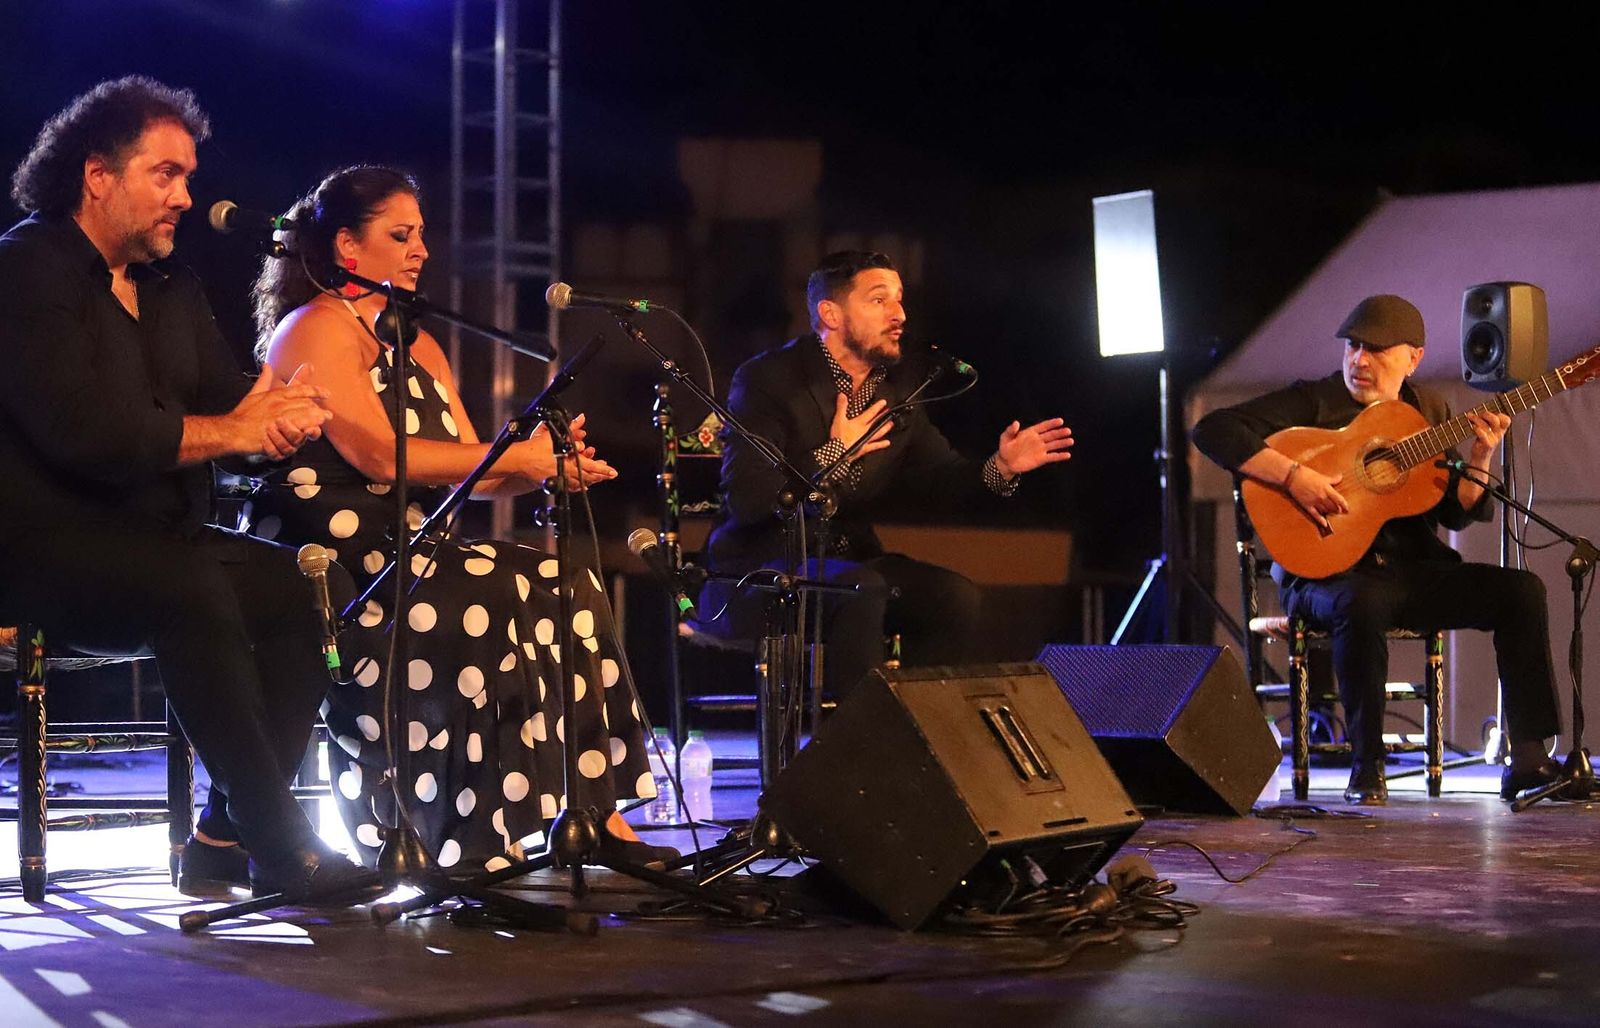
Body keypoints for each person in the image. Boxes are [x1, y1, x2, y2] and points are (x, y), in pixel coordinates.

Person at [0, 77, 377, 901]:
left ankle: (220, 836)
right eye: (165, 174)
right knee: (193, 584)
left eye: (188, 176)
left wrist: (283, 410)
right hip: (49, 549)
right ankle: (284, 847)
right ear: (98, 175)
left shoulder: (172, 286)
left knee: (311, 588)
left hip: (160, 538)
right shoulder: (26, 271)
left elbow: (223, 400)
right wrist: (237, 429)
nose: (185, 196)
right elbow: (88, 434)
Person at [247, 165, 671, 872]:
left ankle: (596, 815)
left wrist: (546, 468)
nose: (422, 251)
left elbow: (472, 472)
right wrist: (520, 454)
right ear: (349, 249)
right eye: (401, 235)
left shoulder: (420, 346)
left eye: (421, 236)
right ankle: (472, 839)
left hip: (423, 555)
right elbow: (380, 456)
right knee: (491, 591)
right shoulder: (314, 329)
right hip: (348, 574)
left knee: (566, 579)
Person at [1191, 293, 1563, 804]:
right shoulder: (1314, 400)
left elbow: (1456, 510)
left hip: (1409, 571)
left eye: (1376, 350)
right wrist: (1294, 475)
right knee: (1361, 602)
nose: (1358, 360)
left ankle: (1527, 756)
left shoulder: (1427, 410)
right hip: (1325, 577)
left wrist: (1481, 454)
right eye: (1353, 347)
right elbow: (1212, 428)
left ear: (1413, 357)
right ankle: (1367, 767)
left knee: (1521, 590)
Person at [699, 250, 1075, 696]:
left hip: (852, 564)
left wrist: (1000, 468)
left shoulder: (896, 396)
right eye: (879, 300)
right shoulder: (769, 379)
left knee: (952, 597)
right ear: (831, 314)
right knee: (863, 588)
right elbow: (749, 501)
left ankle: (913, 731)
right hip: (758, 572)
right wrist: (835, 452)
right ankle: (857, 747)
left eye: (899, 300)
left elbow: (942, 481)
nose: (899, 314)